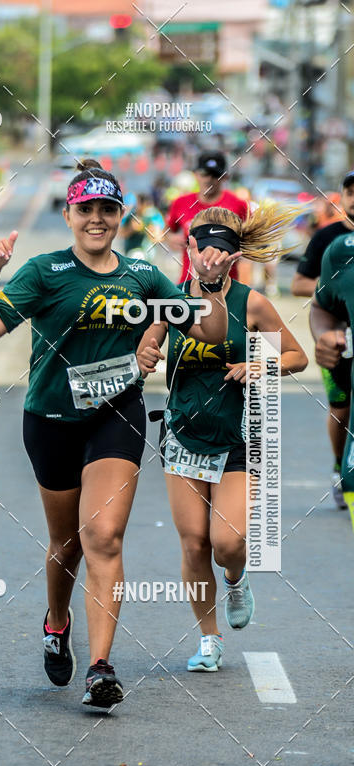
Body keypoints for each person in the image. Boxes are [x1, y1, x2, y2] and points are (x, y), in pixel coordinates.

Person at [0, 158, 239, 708]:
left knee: (105, 537)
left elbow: (209, 328)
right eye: (86, 209)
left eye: (107, 210)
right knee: (66, 544)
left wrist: (208, 284)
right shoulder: (44, 273)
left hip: (116, 417)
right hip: (49, 422)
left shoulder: (142, 277)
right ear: (69, 215)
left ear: (121, 216)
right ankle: (58, 619)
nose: (97, 219)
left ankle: (100, 666)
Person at [137, 204, 307, 672]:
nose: (209, 255)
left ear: (234, 257)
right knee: (193, 544)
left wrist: (261, 364)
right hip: (184, 434)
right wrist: (147, 351)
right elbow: (148, 342)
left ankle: (236, 578)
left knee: (227, 543)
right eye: (201, 245)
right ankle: (208, 639)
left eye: (220, 249)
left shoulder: (251, 302)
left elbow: (297, 356)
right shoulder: (173, 298)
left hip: (235, 438)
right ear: (188, 247)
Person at [291, 171, 354, 508]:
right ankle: (338, 468)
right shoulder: (328, 240)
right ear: (342, 197)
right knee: (341, 409)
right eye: (350, 192)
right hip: (338, 338)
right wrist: (334, 286)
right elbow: (300, 284)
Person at [310, 232, 354, 527]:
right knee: (340, 406)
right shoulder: (339, 249)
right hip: (346, 354)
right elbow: (320, 304)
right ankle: (340, 467)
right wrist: (324, 335)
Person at [166, 151, 249, 284]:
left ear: (225, 177)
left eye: (215, 175)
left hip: (226, 288)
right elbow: (168, 231)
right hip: (189, 285)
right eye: (204, 174)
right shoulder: (180, 203)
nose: (209, 179)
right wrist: (171, 239)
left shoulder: (239, 205)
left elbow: (250, 246)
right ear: (195, 175)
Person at [120, 192, 165, 263]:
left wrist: (150, 231)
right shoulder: (132, 215)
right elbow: (121, 233)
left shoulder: (153, 215)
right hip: (131, 252)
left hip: (147, 255)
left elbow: (159, 237)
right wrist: (131, 228)